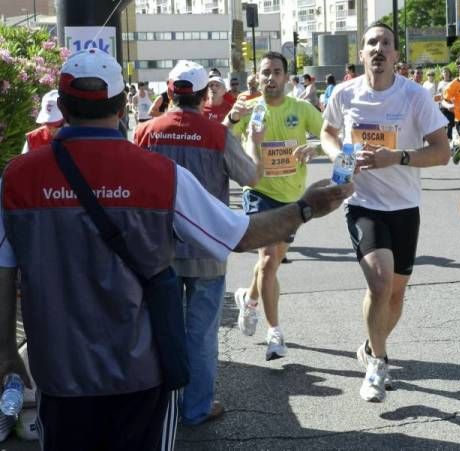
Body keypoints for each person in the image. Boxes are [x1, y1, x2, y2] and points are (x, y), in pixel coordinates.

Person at [0, 49, 352, 451]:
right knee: (199, 334)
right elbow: (240, 235)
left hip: (58, 372)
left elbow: (4, 269)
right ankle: (198, 406)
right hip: (141, 371)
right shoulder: (161, 175)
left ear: (62, 106)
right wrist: (307, 207)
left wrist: (7, 352)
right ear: (121, 107)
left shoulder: (16, 179)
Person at [320, 22, 449, 403]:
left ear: (395, 55)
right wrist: (340, 157)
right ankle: (378, 363)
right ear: (361, 54)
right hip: (362, 203)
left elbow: (441, 152)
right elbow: (328, 133)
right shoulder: (344, 94)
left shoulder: (414, 97)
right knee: (379, 283)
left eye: (386, 44)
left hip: (405, 206)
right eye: (371, 43)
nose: (378, 49)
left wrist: (400, 157)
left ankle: (369, 343)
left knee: (394, 295)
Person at [134, 60, 259, 426]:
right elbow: (250, 176)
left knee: (159, 331)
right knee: (201, 335)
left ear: (170, 93)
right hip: (207, 249)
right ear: (206, 95)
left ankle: (161, 408)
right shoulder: (216, 134)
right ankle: (196, 408)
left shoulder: (145, 131)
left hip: (158, 251)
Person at [230, 51, 324, 361]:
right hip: (258, 192)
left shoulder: (301, 108)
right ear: (257, 77)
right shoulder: (250, 109)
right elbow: (221, 138)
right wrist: (232, 119)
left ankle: (249, 298)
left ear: (286, 77)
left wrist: (316, 147)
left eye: (277, 72)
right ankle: (275, 333)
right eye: (266, 72)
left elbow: (330, 133)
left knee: (269, 263)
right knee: (269, 260)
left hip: (292, 198)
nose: (271, 77)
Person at [437, 67, 456, 141]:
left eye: (447, 72)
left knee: (450, 122)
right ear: (442, 74)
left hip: (452, 104)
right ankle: (446, 139)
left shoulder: (453, 82)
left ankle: (449, 139)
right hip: (443, 105)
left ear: (449, 73)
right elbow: (439, 94)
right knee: (445, 122)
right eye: (444, 72)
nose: (445, 73)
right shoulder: (440, 83)